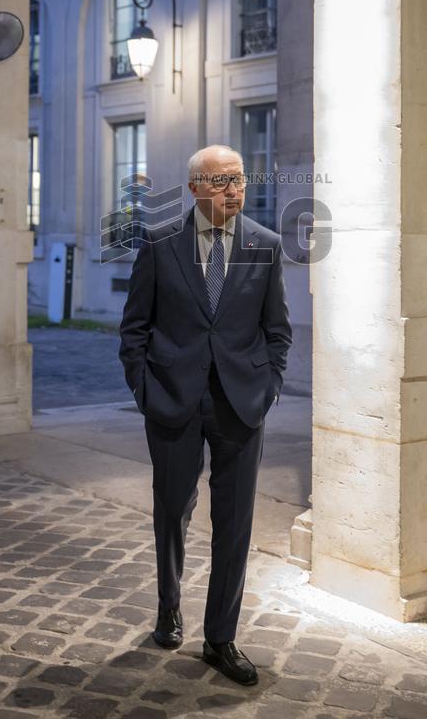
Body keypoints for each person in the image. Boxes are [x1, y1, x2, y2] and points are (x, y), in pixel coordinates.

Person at [118, 144, 292, 686]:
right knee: (172, 508)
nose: (233, 190)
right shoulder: (159, 242)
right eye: (220, 182)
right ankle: (169, 605)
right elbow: (134, 329)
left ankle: (221, 637)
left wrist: (269, 388)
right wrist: (146, 389)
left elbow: (277, 331)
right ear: (194, 186)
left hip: (241, 405)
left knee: (234, 523)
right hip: (173, 400)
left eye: (238, 180)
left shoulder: (265, 245)